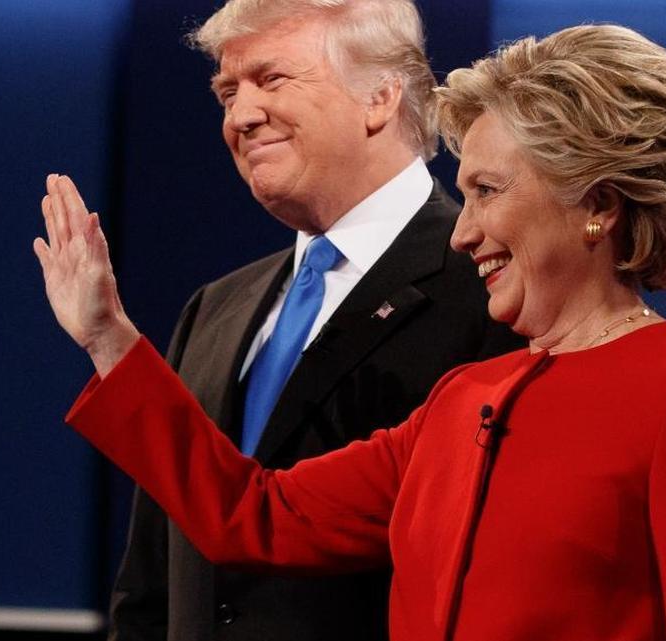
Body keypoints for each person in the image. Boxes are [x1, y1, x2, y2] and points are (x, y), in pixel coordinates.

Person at [34, 23, 666, 641]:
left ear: (597, 202)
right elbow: (253, 515)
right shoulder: (462, 400)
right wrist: (109, 339)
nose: (462, 233)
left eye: (488, 192)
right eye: (461, 196)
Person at [39, 1, 521, 640]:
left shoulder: (492, 290)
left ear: (379, 97)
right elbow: (152, 581)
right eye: (227, 92)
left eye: (272, 80)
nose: (240, 116)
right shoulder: (215, 309)